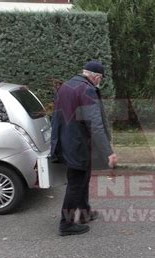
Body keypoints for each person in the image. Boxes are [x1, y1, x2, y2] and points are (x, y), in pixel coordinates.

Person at [50, 60, 118, 236]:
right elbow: (95, 125)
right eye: (100, 79)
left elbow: (55, 118)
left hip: (66, 142)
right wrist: (108, 152)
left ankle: (85, 212)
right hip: (77, 144)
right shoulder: (87, 90)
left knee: (83, 177)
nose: (100, 82)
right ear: (95, 77)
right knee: (76, 182)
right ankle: (66, 224)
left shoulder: (66, 86)